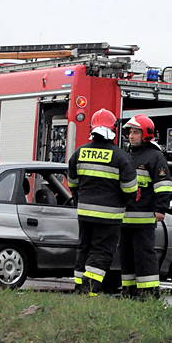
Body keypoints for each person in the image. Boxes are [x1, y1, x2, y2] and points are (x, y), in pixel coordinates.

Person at [68, 108, 138, 296]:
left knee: (84, 248)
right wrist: (123, 201)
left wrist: (80, 198)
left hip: (84, 213)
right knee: (101, 251)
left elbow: (72, 183)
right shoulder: (121, 156)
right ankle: (89, 289)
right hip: (109, 215)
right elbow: (130, 189)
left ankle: (78, 286)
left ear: (92, 128)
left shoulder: (79, 153)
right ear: (113, 129)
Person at [119, 114, 172, 298]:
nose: (131, 136)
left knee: (144, 255)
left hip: (144, 216)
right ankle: (129, 289)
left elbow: (164, 185)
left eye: (136, 132)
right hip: (124, 217)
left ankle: (149, 291)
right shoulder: (126, 155)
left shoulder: (155, 156)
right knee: (126, 255)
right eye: (130, 132)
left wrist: (161, 209)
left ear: (146, 134)